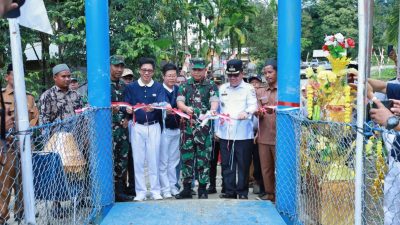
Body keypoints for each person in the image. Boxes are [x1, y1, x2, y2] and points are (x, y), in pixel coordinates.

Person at [39, 63, 83, 217]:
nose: (67, 79)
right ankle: (56, 205)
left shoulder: (75, 95)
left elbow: (81, 115)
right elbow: (45, 121)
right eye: (63, 76)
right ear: (55, 78)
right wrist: (49, 142)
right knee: (56, 173)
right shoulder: (47, 96)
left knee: (76, 171)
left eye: (68, 76)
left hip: (75, 138)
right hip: (56, 140)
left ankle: (77, 199)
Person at [124, 57, 168, 201]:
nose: (147, 73)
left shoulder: (158, 87)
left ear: (153, 72)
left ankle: (155, 190)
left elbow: (163, 103)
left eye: (149, 70)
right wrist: (128, 110)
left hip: (154, 126)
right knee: (138, 160)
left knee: (154, 159)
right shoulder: (131, 87)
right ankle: (141, 192)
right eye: (144, 70)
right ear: (139, 70)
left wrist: (156, 106)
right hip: (137, 126)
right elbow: (127, 105)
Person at [175, 58, 219, 199]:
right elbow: (179, 101)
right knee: (187, 158)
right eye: (195, 69)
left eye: (200, 70)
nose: (197, 72)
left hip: (204, 129)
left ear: (205, 70)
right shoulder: (184, 85)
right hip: (187, 129)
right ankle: (187, 188)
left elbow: (214, 101)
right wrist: (186, 108)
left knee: (203, 159)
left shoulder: (211, 85)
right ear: (191, 70)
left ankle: (202, 189)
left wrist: (212, 110)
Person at [0, 64, 39, 223]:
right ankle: (2, 215)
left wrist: (26, 129)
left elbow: (35, 119)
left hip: (24, 146)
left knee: (25, 180)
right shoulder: (1, 96)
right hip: (5, 145)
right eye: (14, 75)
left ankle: (22, 211)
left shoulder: (29, 97)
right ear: (7, 77)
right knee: (4, 181)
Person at [217, 59, 257, 199]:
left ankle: (242, 192)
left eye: (236, 75)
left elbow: (254, 106)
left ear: (242, 74)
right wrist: (217, 129)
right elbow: (219, 109)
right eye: (230, 75)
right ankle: (229, 191)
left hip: (243, 133)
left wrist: (246, 112)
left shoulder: (249, 88)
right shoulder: (223, 88)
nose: (233, 78)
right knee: (227, 164)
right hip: (225, 133)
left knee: (243, 165)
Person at [368, 79, 400, 225]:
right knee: (392, 214)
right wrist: (364, 83)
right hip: (396, 161)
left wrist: (392, 121)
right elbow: (378, 85)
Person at [108, 55, 133, 202]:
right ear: (109, 66)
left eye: (121, 66)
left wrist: (128, 118)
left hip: (122, 131)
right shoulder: (102, 85)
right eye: (116, 66)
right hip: (107, 130)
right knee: (108, 160)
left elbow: (130, 105)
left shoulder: (125, 86)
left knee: (122, 160)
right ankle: (108, 192)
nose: (119, 69)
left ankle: (120, 191)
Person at [255, 59, 277, 202]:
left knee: (280, 168)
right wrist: (258, 112)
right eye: (265, 73)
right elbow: (257, 110)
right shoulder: (261, 91)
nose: (267, 75)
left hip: (280, 136)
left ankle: (281, 194)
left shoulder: (285, 90)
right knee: (266, 168)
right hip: (263, 136)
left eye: (270, 72)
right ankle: (270, 195)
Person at [159, 63, 181, 198]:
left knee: (174, 160)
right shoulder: (159, 89)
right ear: (163, 76)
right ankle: (164, 188)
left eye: (174, 75)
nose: (171, 78)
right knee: (163, 161)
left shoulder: (179, 89)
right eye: (169, 75)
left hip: (177, 129)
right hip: (163, 130)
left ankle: (173, 186)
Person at [246, 74, 265, 195]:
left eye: (257, 83)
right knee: (246, 159)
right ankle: (247, 181)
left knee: (259, 159)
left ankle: (259, 182)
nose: (254, 85)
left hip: (261, 133)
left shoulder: (263, 98)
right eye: (252, 83)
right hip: (247, 133)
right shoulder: (246, 97)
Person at [208, 75, 223, 194]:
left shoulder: (224, 97)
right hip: (211, 134)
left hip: (224, 133)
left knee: (225, 162)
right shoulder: (210, 96)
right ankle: (212, 185)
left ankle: (225, 185)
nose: (217, 87)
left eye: (219, 84)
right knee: (211, 161)